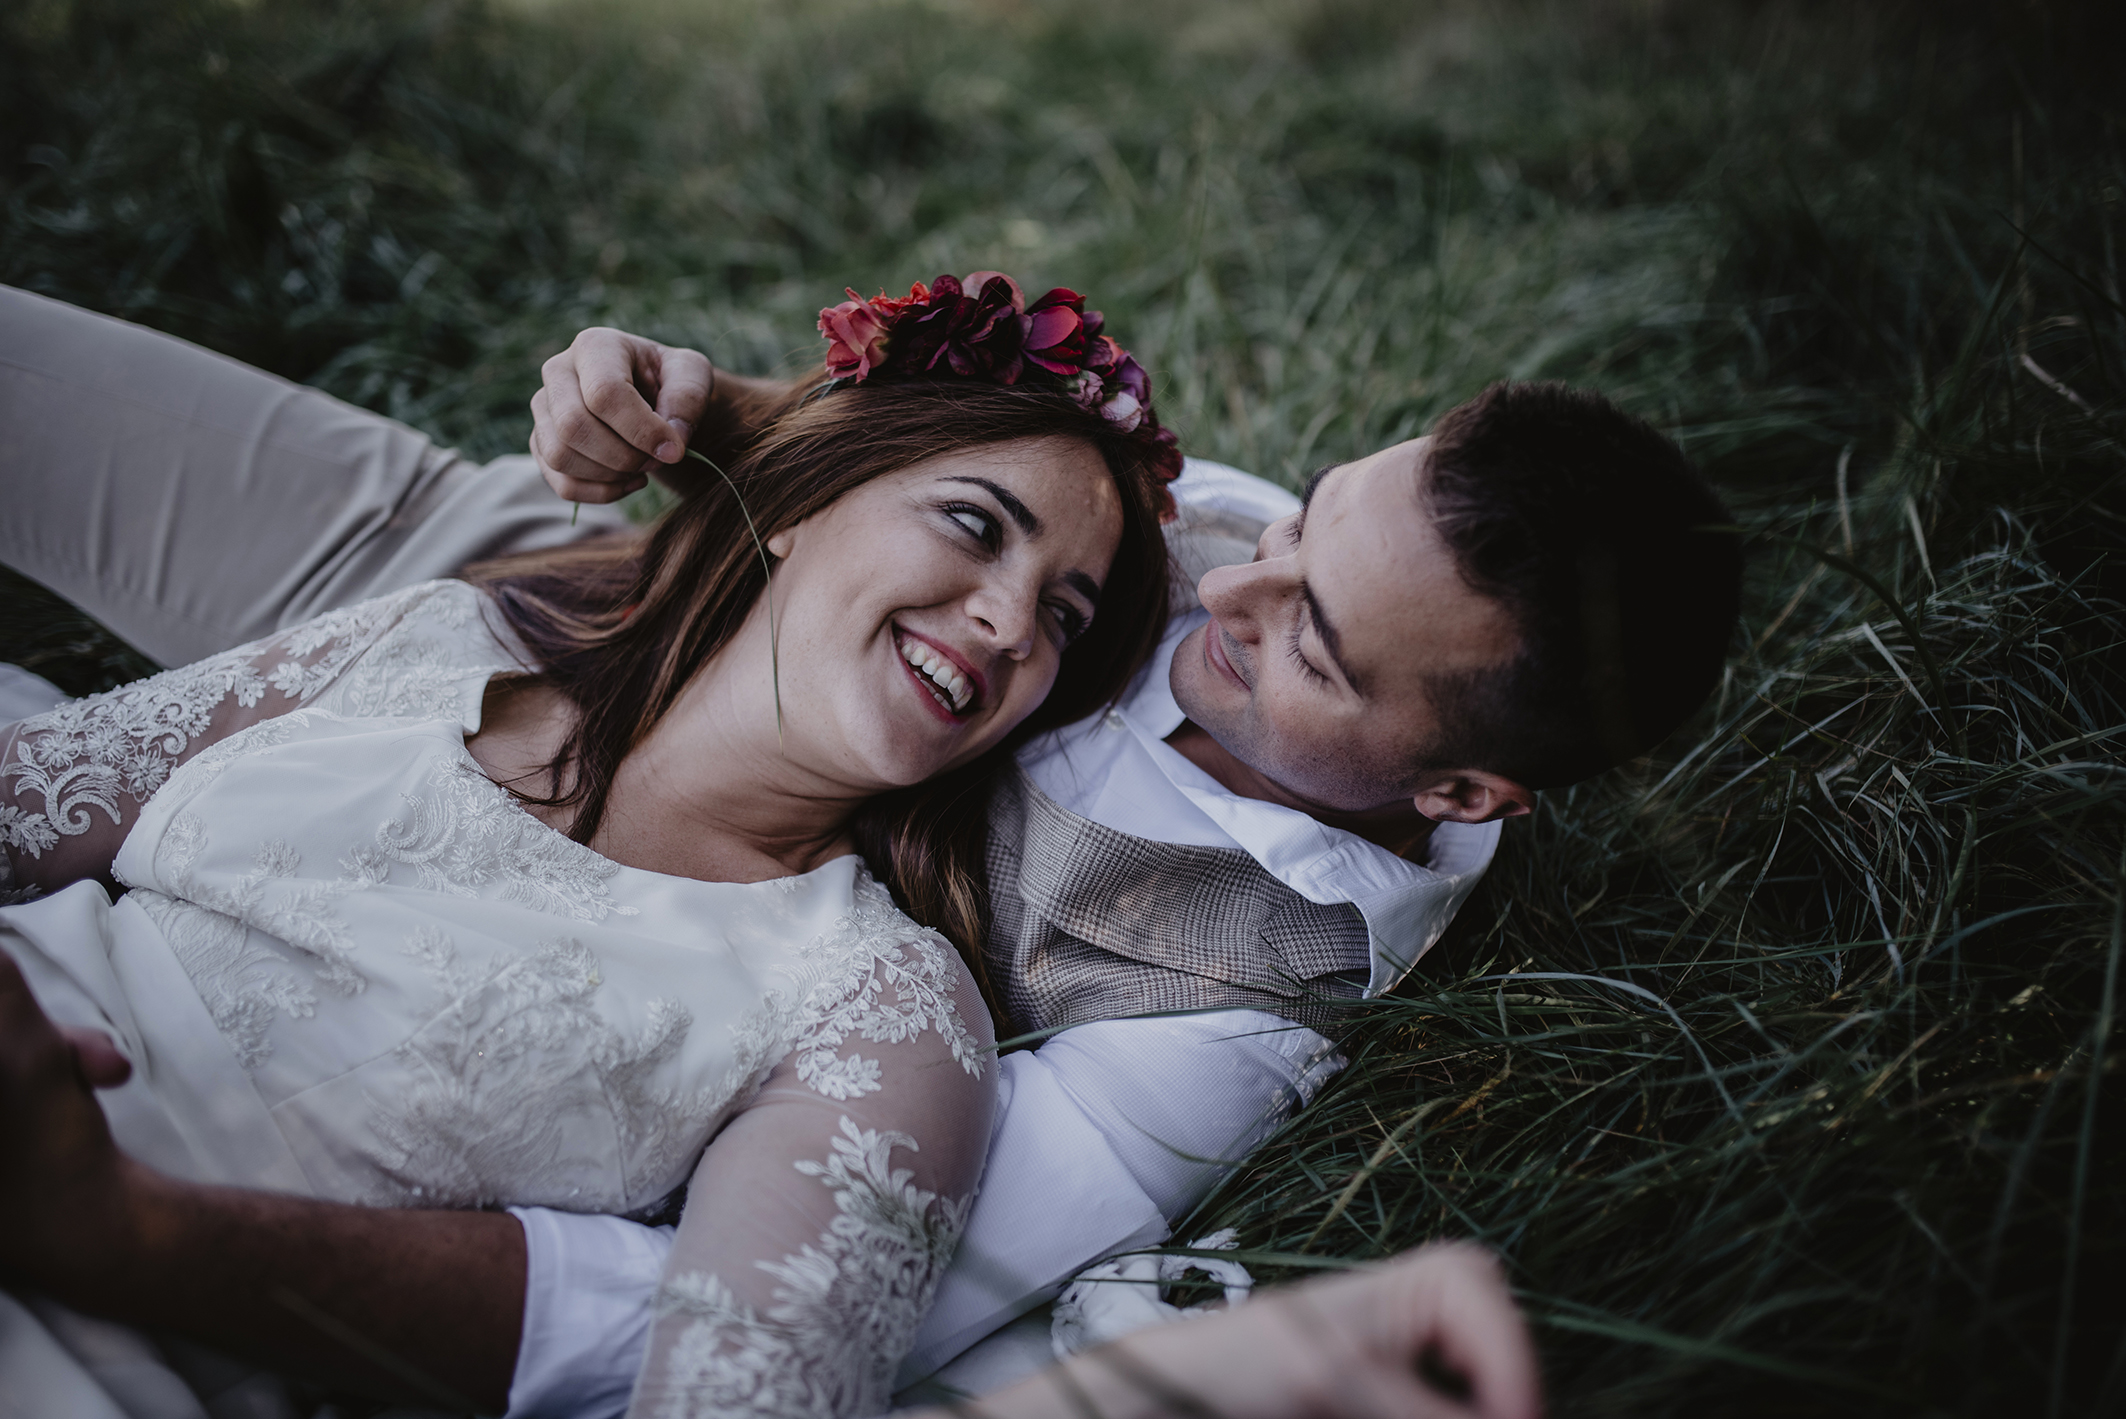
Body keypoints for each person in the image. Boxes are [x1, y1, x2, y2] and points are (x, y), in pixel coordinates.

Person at [0, 281, 1737, 1416]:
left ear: (1461, 793)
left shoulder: (1212, 1020)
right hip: (496, 596)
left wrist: (129, 1232)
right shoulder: (1274, 544)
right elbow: (937, 468)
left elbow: (746, 1310)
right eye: (1298, 521)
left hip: (579, 954)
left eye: (1309, 642)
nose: (1224, 581)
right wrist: (693, 405)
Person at [0, 272, 1189, 1418]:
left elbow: (750, 1392)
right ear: (796, 503)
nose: (1009, 621)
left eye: (1064, 615)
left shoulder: (886, 1015)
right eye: (975, 525)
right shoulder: (430, 640)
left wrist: (110, 1219)